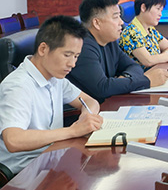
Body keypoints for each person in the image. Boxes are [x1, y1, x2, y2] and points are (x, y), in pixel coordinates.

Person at [0, 16, 104, 177]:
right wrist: (72, 131)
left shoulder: (55, 77)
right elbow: (13, 140)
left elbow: (90, 101)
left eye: (76, 56)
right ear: (43, 49)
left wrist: (86, 115)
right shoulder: (18, 86)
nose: (72, 64)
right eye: (67, 55)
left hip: (53, 158)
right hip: (25, 172)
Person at [68, 0, 168, 103]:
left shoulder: (109, 40)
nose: (121, 22)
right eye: (116, 17)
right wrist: (147, 80)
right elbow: (102, 88)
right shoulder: (82, 46)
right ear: (97, 23)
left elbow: (134, 66)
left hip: (109, 103)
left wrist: (124, 79)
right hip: (84, 111)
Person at [119, 0, 168, 67]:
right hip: (144, 74)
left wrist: (162, 58)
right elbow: (148, 61)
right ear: (143, 8)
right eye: (158, 9)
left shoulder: (150, 29)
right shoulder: (131, 32)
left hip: (158, 69)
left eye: (161, 10)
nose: (160, 14)